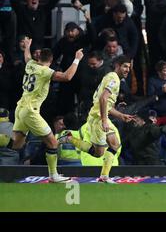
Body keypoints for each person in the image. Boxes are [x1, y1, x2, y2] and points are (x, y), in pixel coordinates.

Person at [0, 38, 84, 182]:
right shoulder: (45, 71)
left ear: (38, 57)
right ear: (50, 61)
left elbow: (27, 57)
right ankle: (53, 175)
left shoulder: (31, 64)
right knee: (52, 142)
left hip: (21, 108)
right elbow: (67, 76)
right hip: (30, 110)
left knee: (16, 144)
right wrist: (77, 59)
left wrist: (27, 46)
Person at [58, 56, 136, 183]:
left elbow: (106, 104)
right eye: (125, 66)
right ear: (117, 65)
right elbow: (103, 99)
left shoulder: (110, 77)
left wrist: (121, 116)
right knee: (98, 153)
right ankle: (69, 138)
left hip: (99, 116)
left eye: (129, 67)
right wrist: (105, 120)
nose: (128, 70)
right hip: (98, 118)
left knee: (114, 144)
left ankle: (104, 176)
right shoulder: (114, 79)